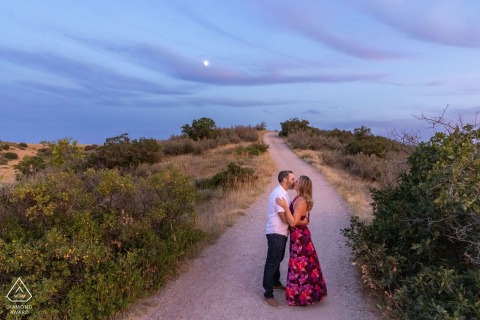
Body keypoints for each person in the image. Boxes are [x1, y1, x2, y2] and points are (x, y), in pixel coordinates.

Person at [276, 175, 327, 306]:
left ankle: (303, 297)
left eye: (297, 181)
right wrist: (303, 221)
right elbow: (304, 219)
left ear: (302, 185)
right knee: (304, 265)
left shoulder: (301, 201)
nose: (295, 182)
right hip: (298, 235)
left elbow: (293, 222)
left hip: (300, 238)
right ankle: (304, 295)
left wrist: (285, 207)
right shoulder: (299, 197)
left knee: (301, 266)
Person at [262, 170, 295, 308]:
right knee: (272, 262)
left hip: (280, 233)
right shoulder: (278, 194)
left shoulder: (283, 193)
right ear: (285, 180)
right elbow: (283, 218)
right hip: (276, 232)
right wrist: (295, 223)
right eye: (292, 179)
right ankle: (268, 294)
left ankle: (275, 283)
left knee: (278, 259)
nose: (294, 181)